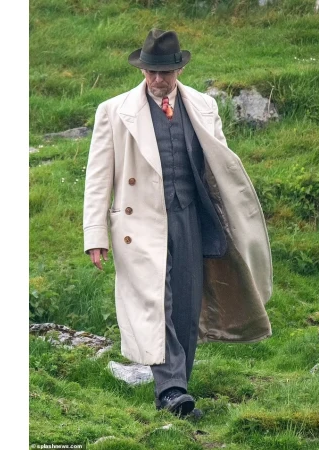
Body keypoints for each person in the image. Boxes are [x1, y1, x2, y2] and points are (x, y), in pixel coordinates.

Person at [83, 29, 273, 417]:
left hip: (190, 215)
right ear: (142, 71)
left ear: (179, 70)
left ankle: (177, 388)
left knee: (186, 303)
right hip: (139, 225)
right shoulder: (113, 111)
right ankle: (171, 389)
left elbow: (219, 166)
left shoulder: (203, 105)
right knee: (158, 302)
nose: (157, 79)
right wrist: (95, 234)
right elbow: (98, 177)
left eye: (165, 72)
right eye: (151, 72)